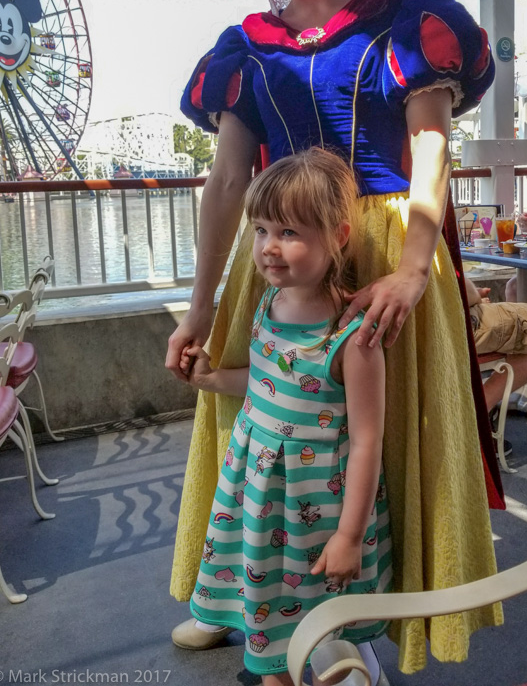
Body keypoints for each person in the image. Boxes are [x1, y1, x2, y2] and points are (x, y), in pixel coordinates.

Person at [166, 0, 503, 674]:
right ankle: (242, 597)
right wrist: (203, 305)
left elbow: (430, 151)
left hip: (389, 248)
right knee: (248, 426)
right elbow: (225, 183)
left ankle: (383, 617)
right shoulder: (246, 47)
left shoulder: (403, 14)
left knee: (392, 436)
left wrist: (412, 269)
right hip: (278, 257)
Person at [175, 149, 391, 686]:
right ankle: (276, 672)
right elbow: (266, 381)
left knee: (320, 614)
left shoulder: (355, 338)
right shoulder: (268, 302)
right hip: (259, 491)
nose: (269, 247)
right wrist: (211, 380)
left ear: (338, 236)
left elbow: (367, 441)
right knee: (268, 604)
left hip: (317, 507)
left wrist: (348, 536)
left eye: (290, 232)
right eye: (261, 229)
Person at [466, 276, 527, 412]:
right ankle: (478, 411)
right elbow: (461, 291)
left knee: (515, 287)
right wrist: (475, 296)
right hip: (459, 324)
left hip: (434, 327)